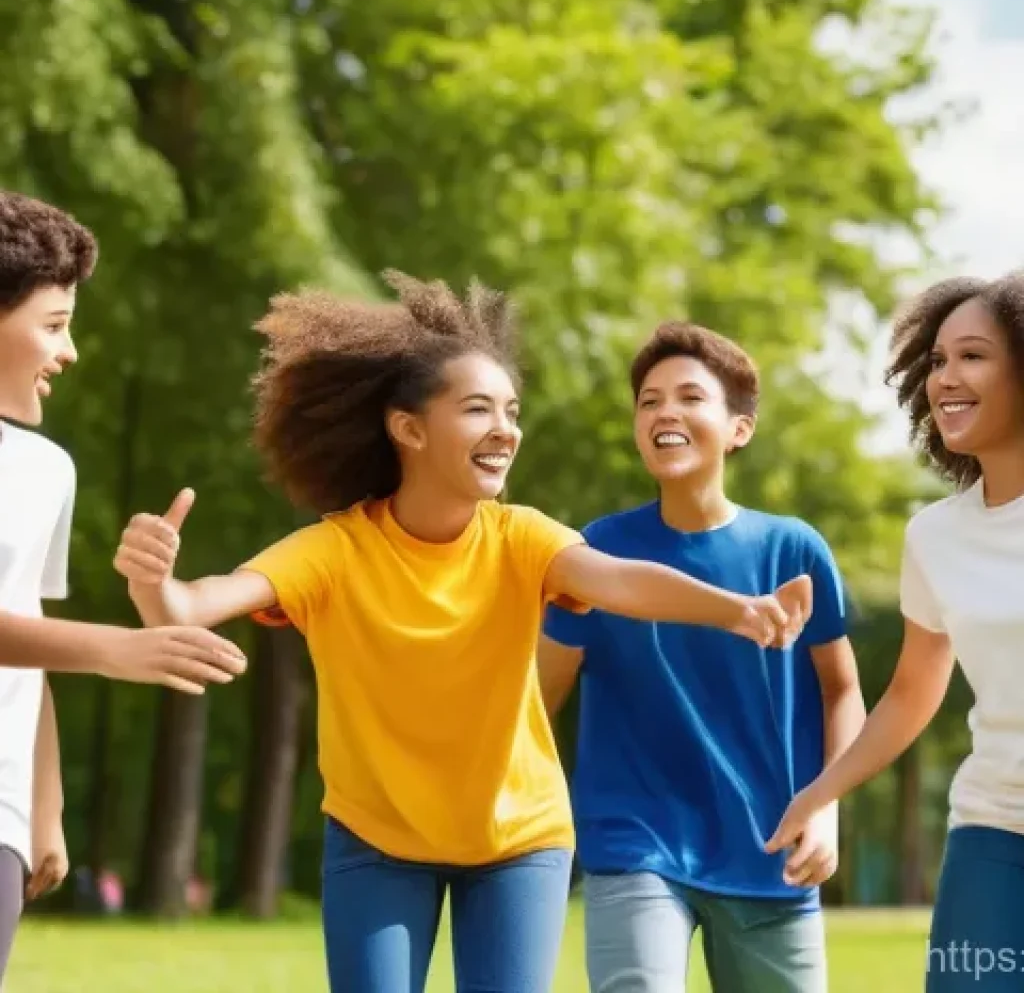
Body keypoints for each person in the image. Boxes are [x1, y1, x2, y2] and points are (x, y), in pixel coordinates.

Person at [114, 272, 813, 993]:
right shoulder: (336, 551)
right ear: (408, 428)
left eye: (511, 410)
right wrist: (152, 584)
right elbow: (192, 607)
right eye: (478, 410)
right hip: (376, 838)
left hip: (518, 841)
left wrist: (737, 609)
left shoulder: (523, 539)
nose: (506, 429)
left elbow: (622, 580)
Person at [539, 322, 865, 993]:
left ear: (738, 428)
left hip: (773, 851)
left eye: (690, 397)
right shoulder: (598, 552)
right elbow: (539, 701)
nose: (664, 413)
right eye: (649, 401)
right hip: (636, 844)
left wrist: (826, 806)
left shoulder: (794, 549)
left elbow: (841, 691)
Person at [0, 190, 247, 981]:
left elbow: (24, 633)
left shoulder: (47, 469)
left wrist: (46, 806)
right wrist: (117, 648)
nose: (69, 353)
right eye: (55, 325)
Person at [767, 273, 1024, 992]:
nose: (947, 377)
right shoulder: (936, 537)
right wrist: (820, 792)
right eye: (937, 361)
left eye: (973, 356)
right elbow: (911, 692)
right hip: (995, 827)